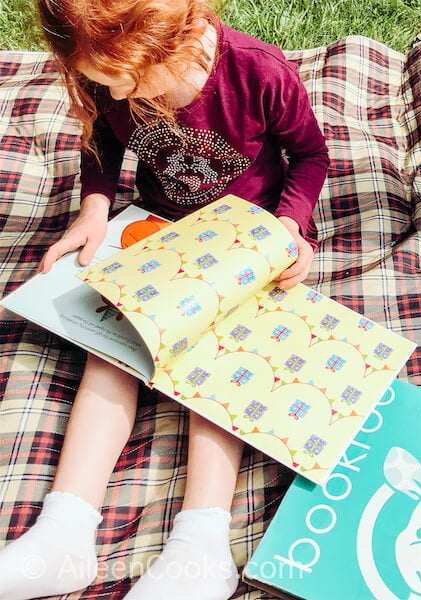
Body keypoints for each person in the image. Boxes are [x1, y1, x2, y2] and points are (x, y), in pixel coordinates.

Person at [0, 0, 329, 598]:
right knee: (114, 350)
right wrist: (95, 209)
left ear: (173, 39)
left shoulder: (257, 73)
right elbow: (101, 139)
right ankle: (64, 529)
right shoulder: (112, 69)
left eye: (119, 80)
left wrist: (290, 226)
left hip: (243, 243)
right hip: (155, 235)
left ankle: (201, 547)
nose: (111, 92)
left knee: (218, 361)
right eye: (98, 81)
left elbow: (310, 156)